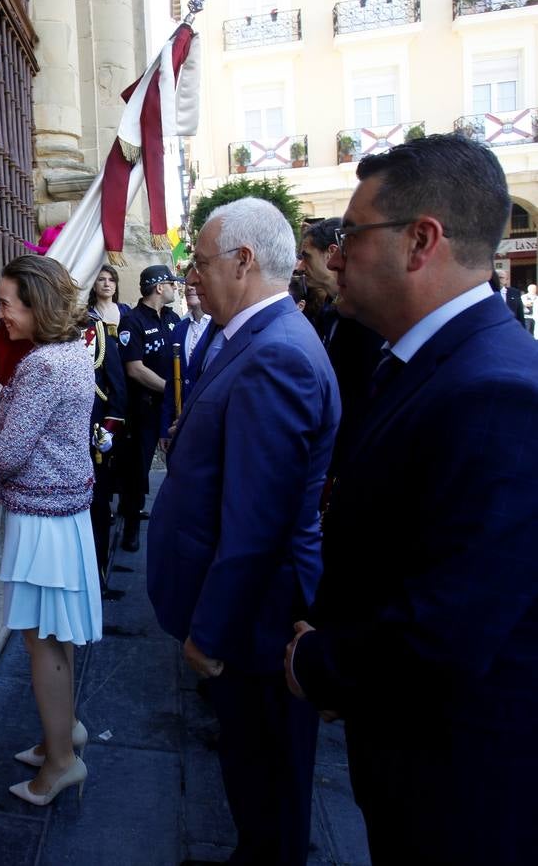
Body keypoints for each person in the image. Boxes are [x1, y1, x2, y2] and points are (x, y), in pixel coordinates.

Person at [285, 132, 538, 865]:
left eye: (352, 235)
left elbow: (450, 627)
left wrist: (320, 664)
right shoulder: (430, 363)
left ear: (420, 240)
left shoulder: (496, 391)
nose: (334, 258)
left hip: (463, 790)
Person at [147, 197, 340, 866]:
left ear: (243, 261)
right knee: (252, 768)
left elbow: (259, 524)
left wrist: (210, 632)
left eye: (201, 263)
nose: (192, 276)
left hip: (255, 620)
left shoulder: (277, 353)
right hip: (252, 614)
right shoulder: (259, 337)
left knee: (266, 774)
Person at [0, 255, 101, 806]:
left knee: (43, 643)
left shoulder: (43, 365)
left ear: (37, 305)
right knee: (56, 635)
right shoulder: (71, 352)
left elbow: (8, 454)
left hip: (42, 518)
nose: (0, 313)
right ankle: (64, 732)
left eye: (6, 303)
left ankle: (60, 763)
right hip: (61, 513)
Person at [298, 217, 384, 472]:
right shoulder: (328, 311)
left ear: (331, 253)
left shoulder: (368, 317)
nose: (301, 266)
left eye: (307, 256)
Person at [116, 264, 181, 551]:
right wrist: (172, 389)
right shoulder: (132, 321)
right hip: (143, 409)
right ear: (159, 287)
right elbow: (135, 368)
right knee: (137, 469)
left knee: (178, 463)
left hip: (171, 409)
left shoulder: (173, 318)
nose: (175, 288)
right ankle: (130, 527)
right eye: (171, 283)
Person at [84, 306, 126, 590]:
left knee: (97, 506)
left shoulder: (98, 332)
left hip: (92, 438)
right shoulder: (44, 331)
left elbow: (117, 391)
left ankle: (96, 574)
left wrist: (108, 430)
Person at [158, 278, 215, 444]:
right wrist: (165, 427)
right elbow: (172, 382)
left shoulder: (219, 327)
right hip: (179, 423)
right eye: (188, 283)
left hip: (208, 423)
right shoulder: (179, 329)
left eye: (196, 283)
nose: (190, 288)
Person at [86, 263, 131, 337]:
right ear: (94, 286)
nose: (107, 284)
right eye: (101, 280)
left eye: (111, 280)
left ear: (115, 286)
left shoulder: (126, 310)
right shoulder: (87, 315)